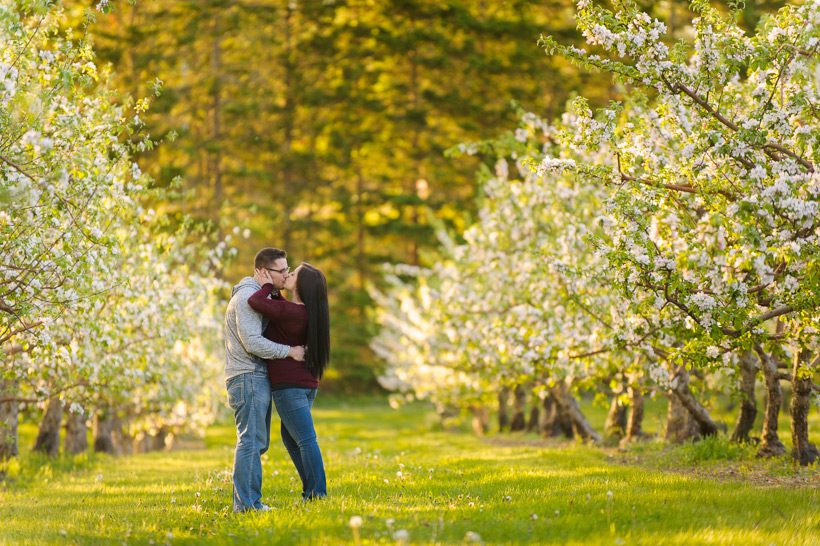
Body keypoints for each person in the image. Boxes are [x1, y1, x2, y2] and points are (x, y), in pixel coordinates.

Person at [224, 247, 305, 513]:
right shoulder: (247, 296)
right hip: (248, 375)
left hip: (253, 376)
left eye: (287, 268)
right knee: (251, 440)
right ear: (261, 272)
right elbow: (253, 342)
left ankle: (247, 502)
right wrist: (290, 352)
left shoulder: (257, 294)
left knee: (256, 440)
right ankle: (247, 505)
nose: (286, 275)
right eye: (280, 271)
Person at [248, 262, 330, 500]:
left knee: (305, 440)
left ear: (302, 285)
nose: (287, 274)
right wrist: (273, 289)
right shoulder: (302, 312)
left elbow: (256, 302)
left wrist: (265, 285)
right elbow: (279, 306)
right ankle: (311, 491)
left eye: (292, 273)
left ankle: (317, 493)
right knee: (292, 440)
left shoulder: (293, 313)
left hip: (290, 387)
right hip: (303, 385)